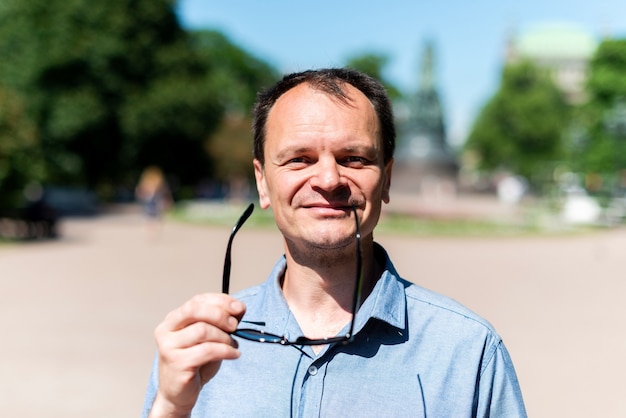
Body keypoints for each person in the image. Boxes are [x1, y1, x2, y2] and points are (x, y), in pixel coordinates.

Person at [142, 68, 527, 417]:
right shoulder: (198, 346)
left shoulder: (468, 352)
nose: (328, 179)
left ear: (387, 179)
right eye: (299, 159)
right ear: (262, 181)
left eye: (354, 158)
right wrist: (172, 408)